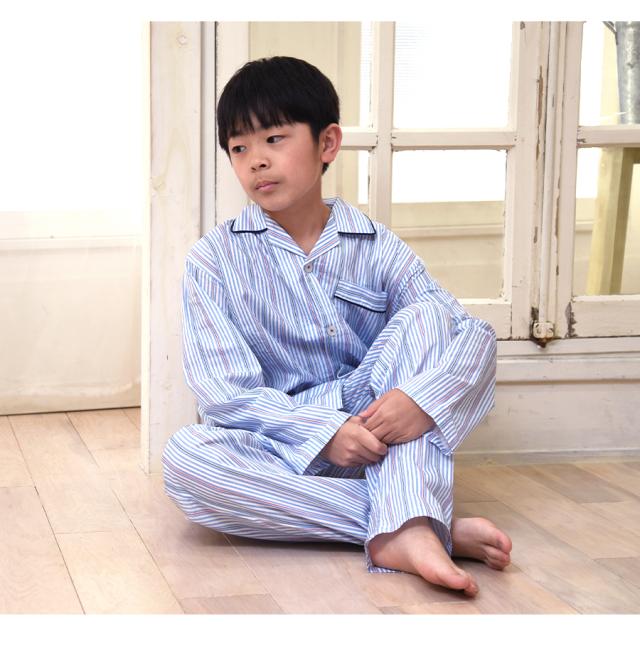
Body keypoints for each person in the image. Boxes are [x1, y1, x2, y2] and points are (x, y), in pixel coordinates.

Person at [162, 55, 512, 597]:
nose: (256, 161)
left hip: (385, 440)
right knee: (186, 460)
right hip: (286, 448)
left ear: (326, 143)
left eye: (273, 139)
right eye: (239, 148)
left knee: (429, 317)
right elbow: (225, 394)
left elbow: (462, 333)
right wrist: (324, 434)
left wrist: (419, 401)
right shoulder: (213, 260)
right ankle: (417, 522)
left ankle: (407, 519)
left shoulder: (376, 245)